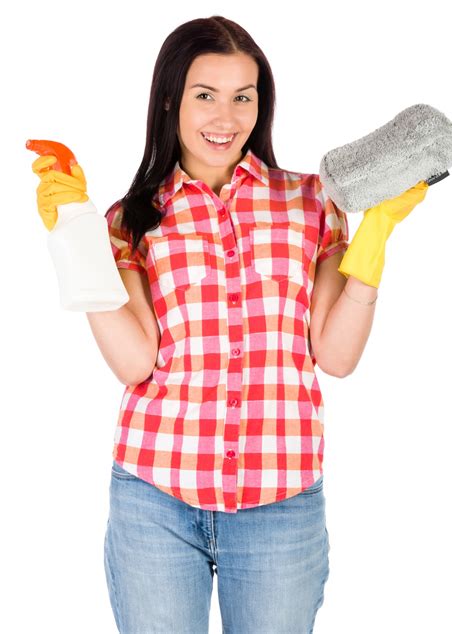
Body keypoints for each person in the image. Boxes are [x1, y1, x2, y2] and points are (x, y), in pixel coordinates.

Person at [30, 14, 427, 634]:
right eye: (204, 95)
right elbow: (135, 362)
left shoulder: (311, 201)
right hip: (155, 495)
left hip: (281, 502)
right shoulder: (133, 220)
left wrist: (372, 239)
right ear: (170, 100)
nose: (226, 117)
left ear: (261, 104)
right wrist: (75, 234)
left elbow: (337, 354)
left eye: (244, 96)